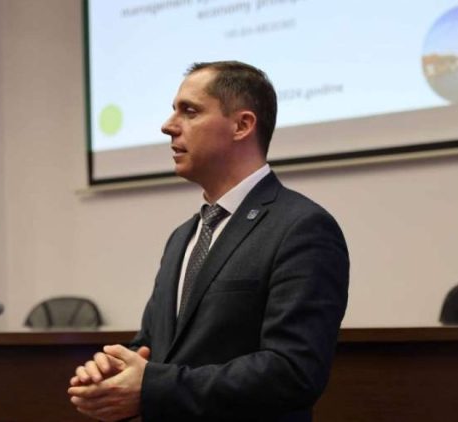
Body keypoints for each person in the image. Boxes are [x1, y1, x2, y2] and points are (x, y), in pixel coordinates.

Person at [68, 61, 349, 422]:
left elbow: (293, 372)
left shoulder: (301, 227)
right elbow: (154, 347)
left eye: (189, 111)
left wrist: (151, 386)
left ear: (242, 125)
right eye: (174, 110)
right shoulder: (182, 237)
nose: (168, 126)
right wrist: (115, 371)